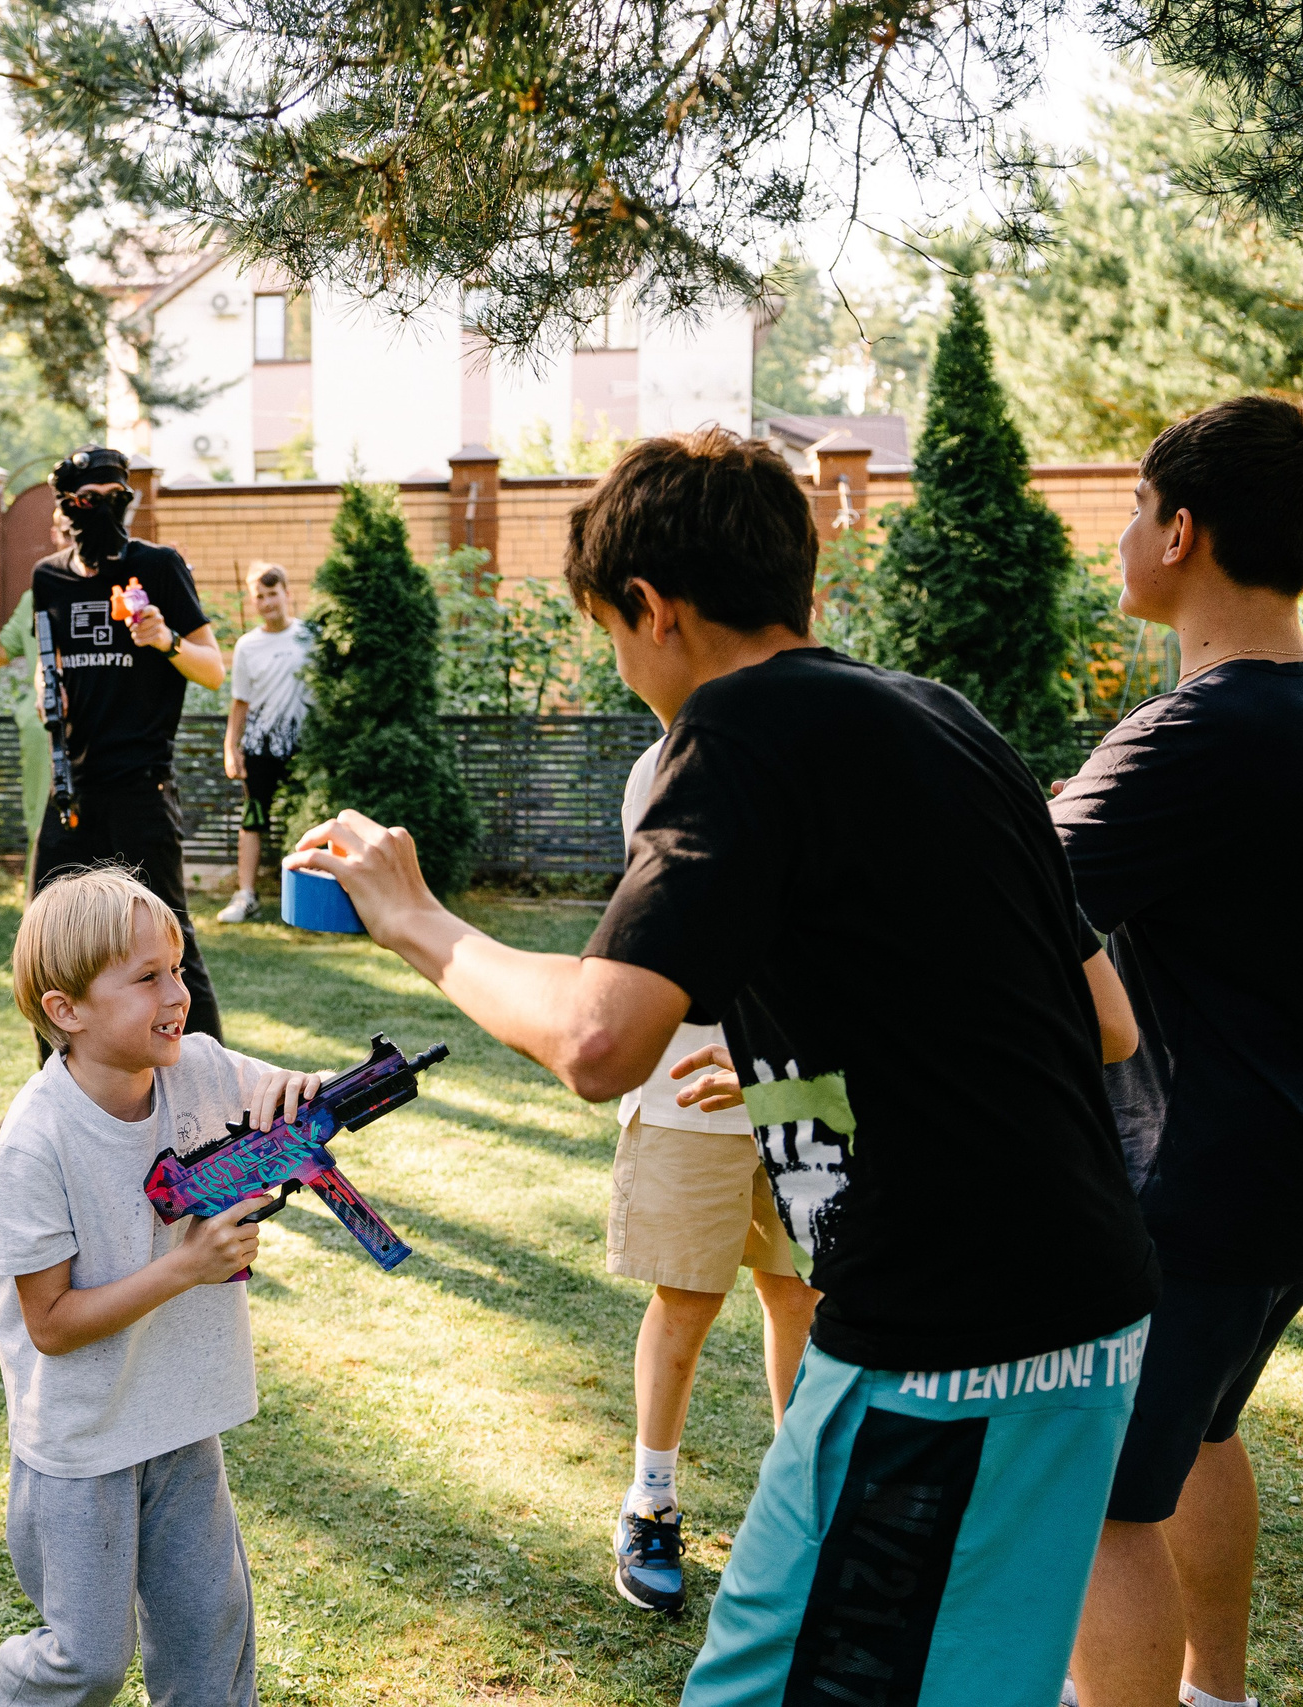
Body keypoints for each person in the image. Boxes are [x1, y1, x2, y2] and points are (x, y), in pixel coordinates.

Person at [288, 429, 1156, 1705]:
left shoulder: (734, 728)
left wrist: (417, 919)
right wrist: (806, 1066)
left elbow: (597, 1042)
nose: (622, 664)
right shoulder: (945, 719)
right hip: (1094, 1314)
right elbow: (1100, 1020)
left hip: (940, 1339)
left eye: (609, 630)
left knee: (762, 1686)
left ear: (651, 606)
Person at [1051, 396, 1303, 1707]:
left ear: (1183, 530)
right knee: (1202, 1433)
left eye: (1135, 510)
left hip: (1190, 1181)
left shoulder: (1189, 734)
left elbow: (1009, 904)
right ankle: (1219, 1694)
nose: (1122, 535)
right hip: (1279, 1183)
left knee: (1100, 1500)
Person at [0, 866, 321, 1707]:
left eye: (177, 967)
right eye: (146, 977)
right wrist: (185, 1266)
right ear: (67, 1009)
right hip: (82, 1443)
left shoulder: (197, 1065)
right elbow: (51, 1323)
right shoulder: (35, 1141)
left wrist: (300, 1092)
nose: (177, 993)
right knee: (87, 1661)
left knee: (209, 1644)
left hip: (179, 1417)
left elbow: (287, 1100)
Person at [601, 734, 818, 1615]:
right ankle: (649, 1501)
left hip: (807, 1083)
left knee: (801, 1293)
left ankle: (800, 1506)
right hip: (689, 1084)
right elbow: (674, 919)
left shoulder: (824, 740)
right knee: (687, 1298)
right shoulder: (670, 761)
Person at [0, 445, 228, 1043]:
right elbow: (43, 659)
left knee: (171, 948)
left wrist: (165, 640)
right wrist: (38, 682)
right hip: (71, 793)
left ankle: (208, 1084)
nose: (104, 508)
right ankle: (58, 1086)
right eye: (88, 498)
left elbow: (213, 669)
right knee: (48, 948)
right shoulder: (48, 577)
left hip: (141, 788)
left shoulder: (157, 566)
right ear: (66, 507)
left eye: (115, 496)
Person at [217, 563, 312, 924]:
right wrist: (231, 747)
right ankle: (246, 896)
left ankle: (307, 897)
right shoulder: (247, 646)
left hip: (304, 749)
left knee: (307, 819)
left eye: (273, 594)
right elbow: (240, 702)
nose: (267, 602)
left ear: (288, 594)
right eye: (260, 596)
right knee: (253, 818)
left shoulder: (310, 637)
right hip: (260, 750)